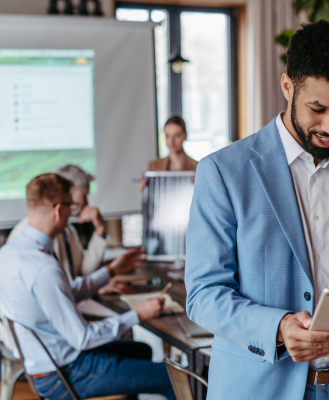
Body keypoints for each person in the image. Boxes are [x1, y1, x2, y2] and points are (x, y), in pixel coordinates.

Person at [185, 21, 329, 400]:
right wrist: (278, 326)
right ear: (287, 86)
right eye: (318, 108)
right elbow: (203, 294)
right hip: (257, 388)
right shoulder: (223, 172)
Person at [0, 173, 174, 400]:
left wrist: (110, 270)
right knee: (172, 379)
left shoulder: (9, 254)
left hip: (45, 364)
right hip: (63, 373)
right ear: (58, 209)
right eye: (71, 206)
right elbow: (83, 338)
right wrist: (137, 314)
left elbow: (64, 293)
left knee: (142, 350)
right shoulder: (44, 268)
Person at [9, 165, 136, 294]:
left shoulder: (67, 230)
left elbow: (82, 272)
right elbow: (54, 290)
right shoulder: (28, 235)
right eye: (84, 195)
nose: (87, 203)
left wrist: (100, 231)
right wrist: (107, 275)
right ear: (71, 191)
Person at [138, 116, 198, 190]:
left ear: (185, 136)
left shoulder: (197, 166)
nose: (171, 141)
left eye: (177, 136)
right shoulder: (153, 166)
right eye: (167, 136)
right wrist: (144, 189)